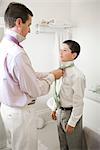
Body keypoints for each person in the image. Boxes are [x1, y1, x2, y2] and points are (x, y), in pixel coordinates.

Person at [0, 2, 63, 150]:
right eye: (29, 25)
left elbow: (22, 75)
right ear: (19, 22)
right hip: (20, 115)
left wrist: (49, 73)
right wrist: (52, 77)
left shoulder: (3, 46)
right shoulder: (17, 54)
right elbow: (34, 90)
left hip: (7, 110)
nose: (29, 31)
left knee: (14, 145)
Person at [51, 40, 86, 150]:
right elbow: (58, 91)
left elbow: (79, 102)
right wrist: (54, 108)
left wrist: (72, 123)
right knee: (63, 144)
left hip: (71, 114)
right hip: (60, 112)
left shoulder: (77, 76)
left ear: (73, 55)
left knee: (74, 146)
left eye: (65, 50)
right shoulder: (60, 71)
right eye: (60, 50)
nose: (60, 53)